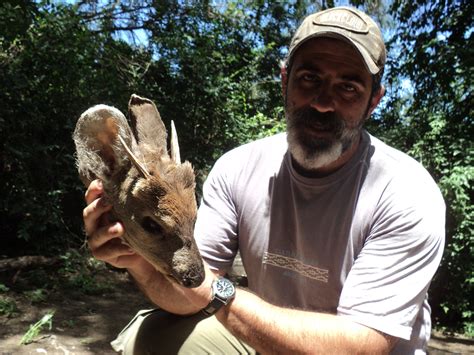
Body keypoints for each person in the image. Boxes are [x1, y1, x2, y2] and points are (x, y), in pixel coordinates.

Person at [83, 6, 445, 354]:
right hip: (267, 342)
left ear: (374, 101)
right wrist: (140, 256)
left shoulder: (405, 192)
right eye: (309, 79)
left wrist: (216, 292)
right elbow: (188, 290)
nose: (322, 102)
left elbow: (361, 347)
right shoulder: (238, 168)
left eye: (348, 88)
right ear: (285, 80)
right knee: (154, 338)